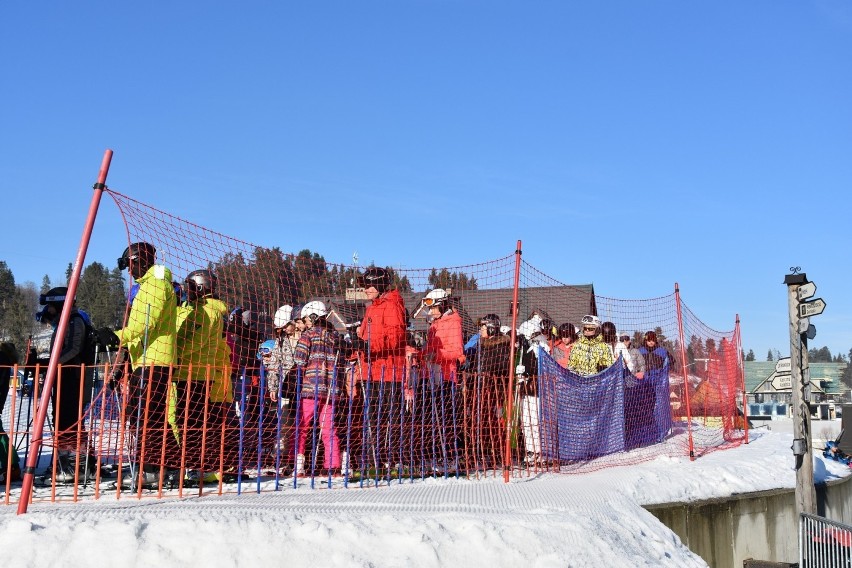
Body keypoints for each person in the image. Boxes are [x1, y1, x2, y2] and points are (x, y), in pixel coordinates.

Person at [112, 242, 179, 488]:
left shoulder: (157, 284)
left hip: (156, 359)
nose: (129, 271)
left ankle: (154, 467)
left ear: (140, 260)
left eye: (130, 265)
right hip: (146, 359)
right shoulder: (147, 286)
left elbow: (145, 323)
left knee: (146, 417)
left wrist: (117, 335)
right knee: (146, 415)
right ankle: (169, 464)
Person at [34, 287, 99, 483]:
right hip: (65, 375)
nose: (49, 311)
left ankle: (76, 466)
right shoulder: (64, 321)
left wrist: (52, 363)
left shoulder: (75, 320)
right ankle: (72, 464)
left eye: (51, 306)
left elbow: (73, 348)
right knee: (63, 420)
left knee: (69, 421)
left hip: (74, 376)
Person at [293, 301, 342, 475]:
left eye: (306, 318)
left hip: (311, 388)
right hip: (331, 389)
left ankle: (298, 465)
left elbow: (299, 360)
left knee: (302, 426)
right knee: (328, 428)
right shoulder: (334, 336)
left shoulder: (308, 335)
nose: (305, 322)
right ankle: (333, 465)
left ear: (313, 317)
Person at [419, 288, 465, 473]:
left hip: (447, 376)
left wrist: (435, 355)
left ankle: (453, 456)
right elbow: (429, 349)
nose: (430, 311)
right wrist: (419, 354)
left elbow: (457, 352)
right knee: (432, 419)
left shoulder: (453, 323)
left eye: (433, 307)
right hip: (431, 375)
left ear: (441, 305)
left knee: (447, 419)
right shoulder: (435, 324)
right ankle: (436, 455)